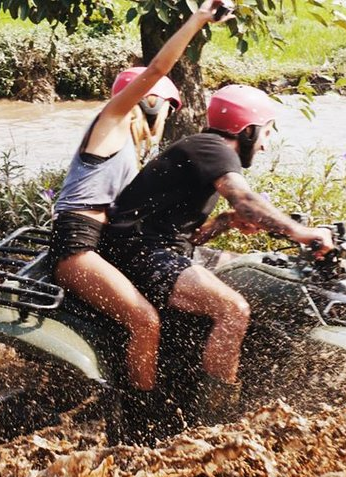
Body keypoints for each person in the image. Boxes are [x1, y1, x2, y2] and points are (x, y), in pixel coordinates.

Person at [102, 84, 335, 421]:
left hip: (161, 249)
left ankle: (210, 366)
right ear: (248, 130)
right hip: (136, 252)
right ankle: (214, 417)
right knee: (233, 309)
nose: (266, 145)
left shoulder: (202, 150)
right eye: (266, 133)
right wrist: (303, 234)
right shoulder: (212, 148)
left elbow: (186, 230)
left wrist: (224, 222)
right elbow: (246, 200)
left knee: (247, 272)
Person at [48, 1, 233, 406]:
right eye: (167, 107)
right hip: (77, 248)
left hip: (99, 245)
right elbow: (156, 71)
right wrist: (198, 19)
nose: (165, 118)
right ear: (151, 103)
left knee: (167, 313)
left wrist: (222, 223)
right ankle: (141, 414)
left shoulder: (130, 155)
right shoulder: (110, 122)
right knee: (144, 321)